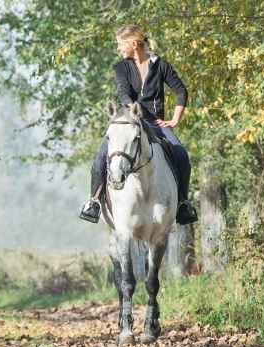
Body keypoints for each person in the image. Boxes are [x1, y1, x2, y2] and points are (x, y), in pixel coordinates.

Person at [79, 25, 199, 226]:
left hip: (156, 124)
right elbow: (122, 92)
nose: (118, 49)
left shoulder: (161, 65)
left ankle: (183, 204)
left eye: (120, 44)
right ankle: (94, 201)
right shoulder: (121, 67)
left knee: (181, 155)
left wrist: (175, 119)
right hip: (129, 122)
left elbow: (180, 91)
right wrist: (132, 108)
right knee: (100, 157)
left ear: (134, 44)